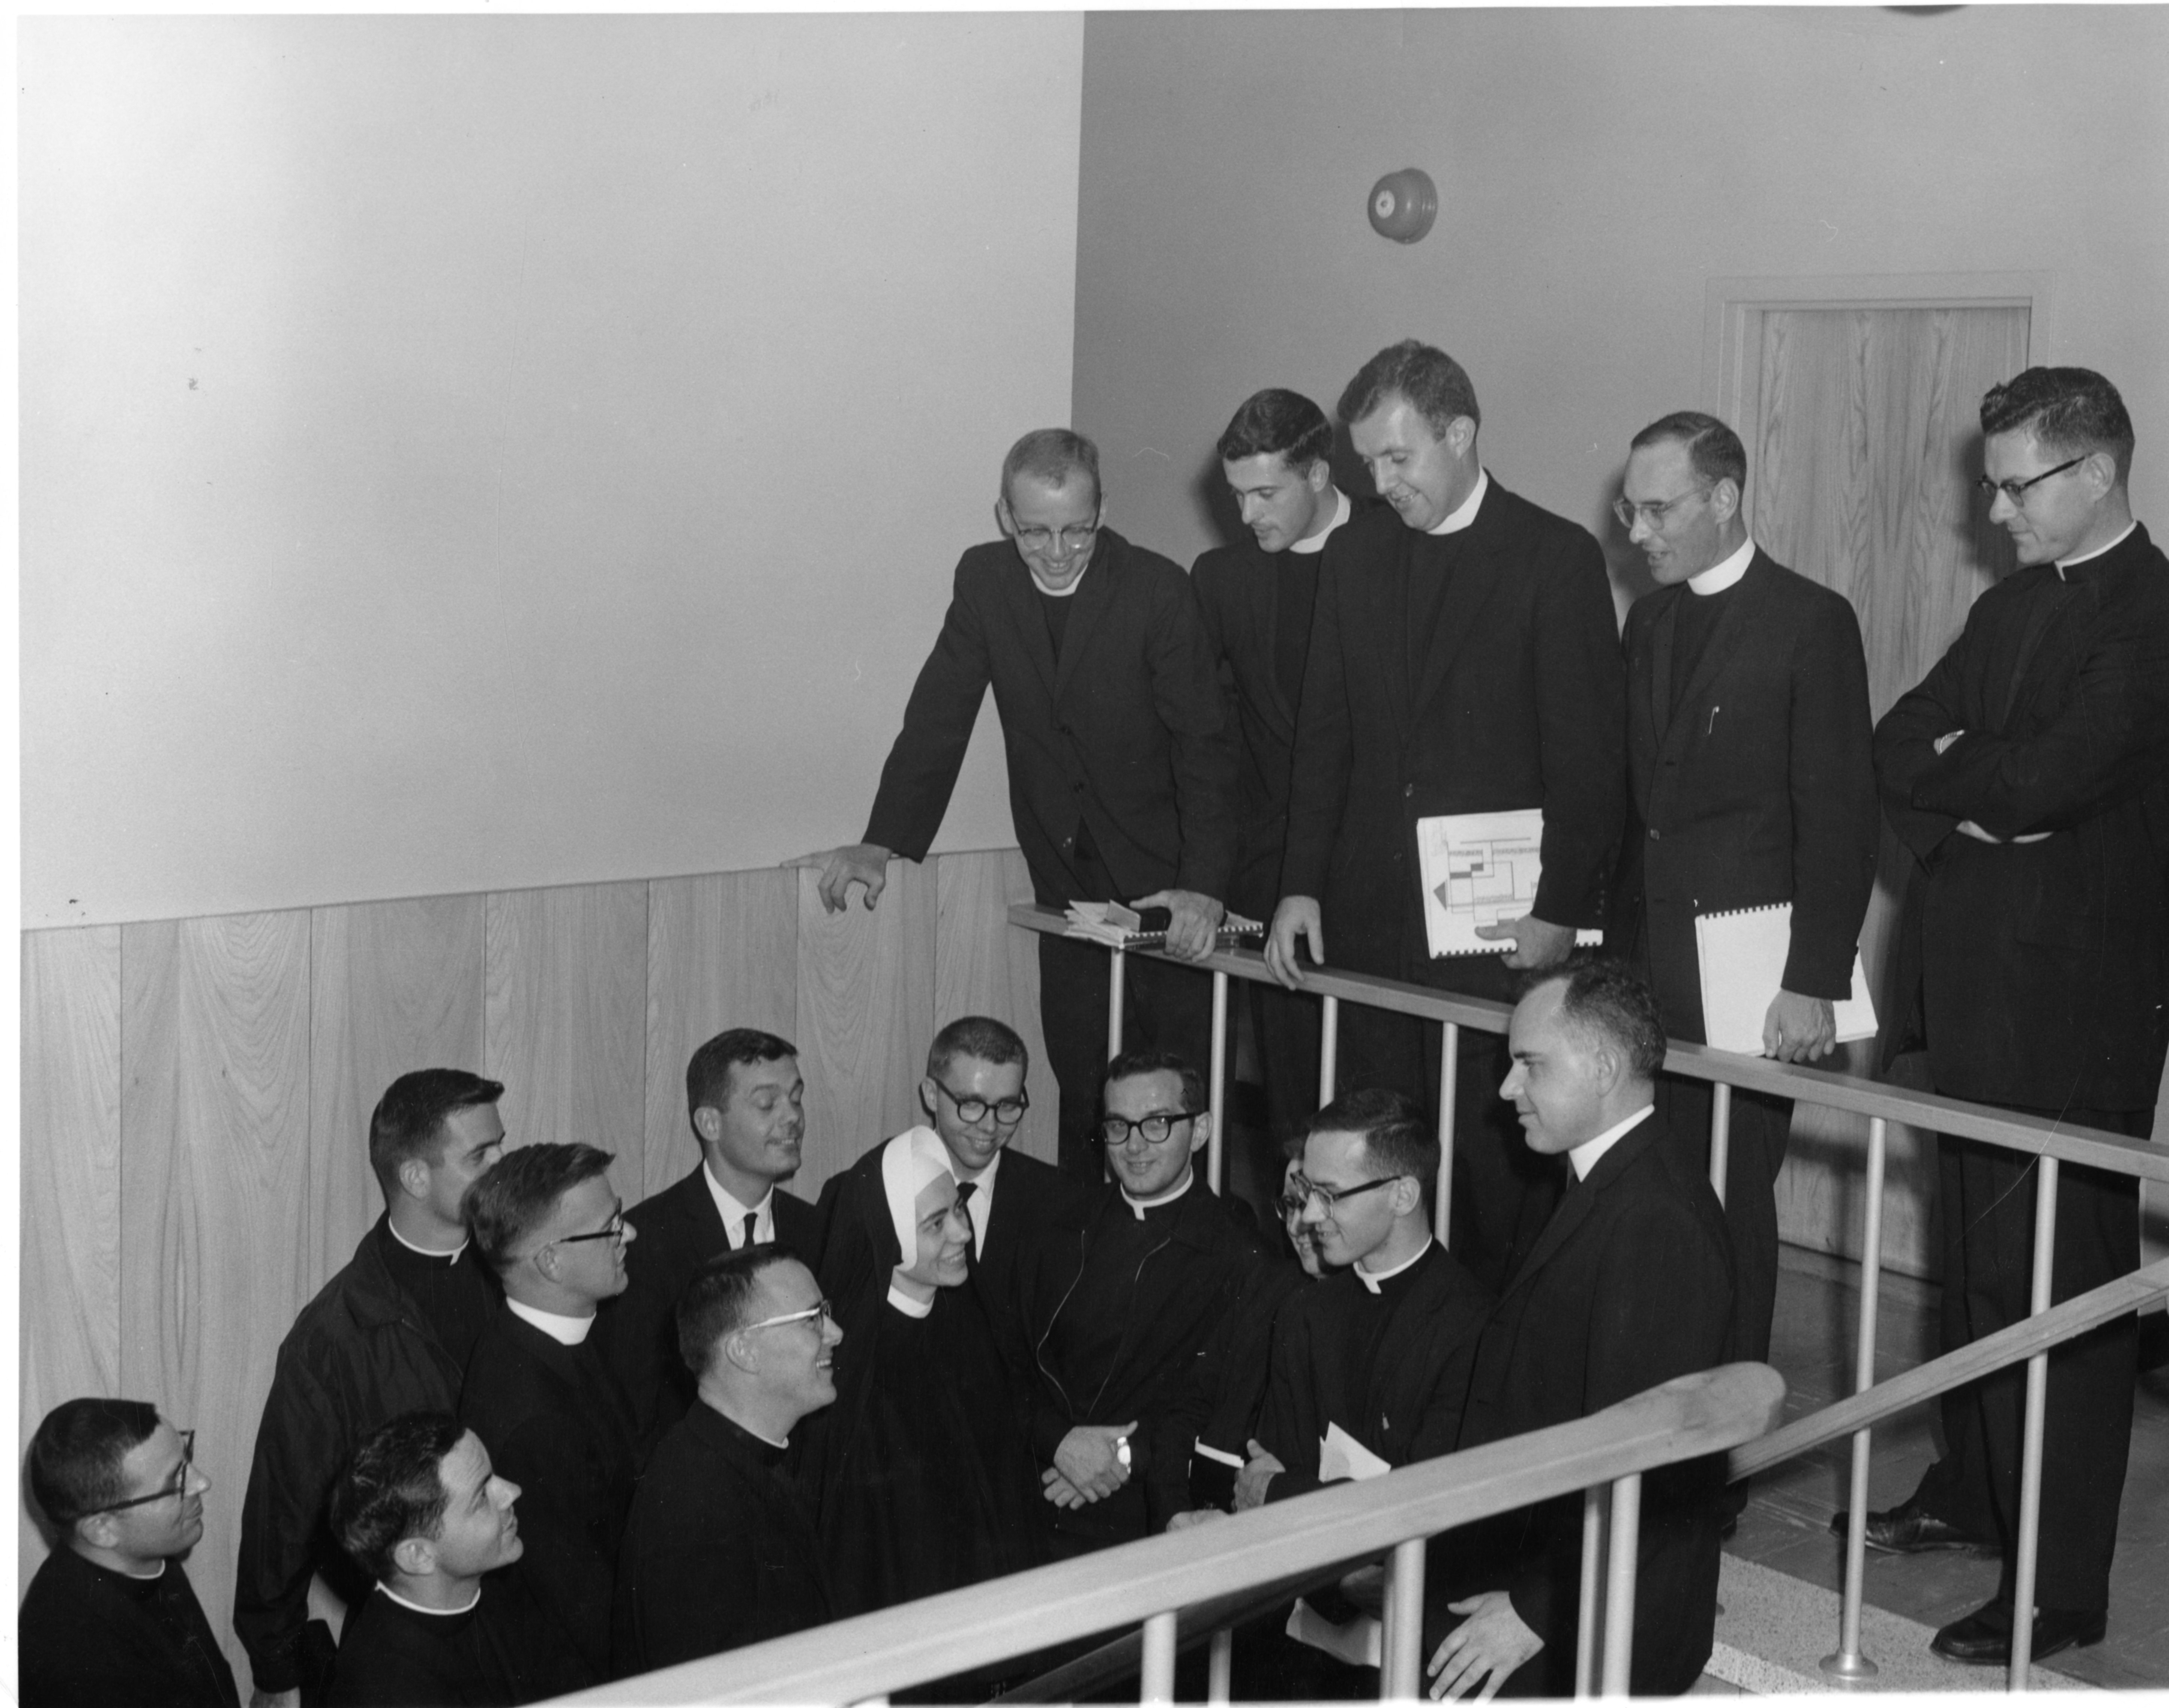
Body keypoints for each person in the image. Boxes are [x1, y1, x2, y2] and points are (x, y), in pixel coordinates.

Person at [1855, 366, 2169, 1666]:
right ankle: (1978, 1493)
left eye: (2014, 483)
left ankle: (2059, 1585)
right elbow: (1895, 738)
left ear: (2095, 475)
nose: (1991, 510)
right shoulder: (2006, 610)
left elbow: (2044, 782)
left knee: (2065, 1297)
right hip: (1972, 991)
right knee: (1981, 1273)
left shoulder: (2152, 616)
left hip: (2072, 1010)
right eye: (1988, 481)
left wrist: (1978, 789)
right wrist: (1982, 793)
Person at [1269, 340, 1626, 1295]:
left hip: (1497, 942)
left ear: (1460, 434)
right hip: (1371, 926)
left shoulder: (1554, 557)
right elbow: (1325, 735)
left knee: (1489, 1190)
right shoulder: (1354, 554)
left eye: (1398, 459)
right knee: (1372, 1177)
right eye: (1369, 465)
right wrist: (1301, 880)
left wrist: (1556, 910)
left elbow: (1588, 763)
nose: (1380, 484)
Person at [794, 428, 1240, 1173]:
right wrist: (884, 841)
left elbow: (1205, 748)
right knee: (1082, 1086)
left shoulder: (1157, 589)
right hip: (1066, 883)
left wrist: (1202, 887)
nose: (1058, 551)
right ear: (1004, 517)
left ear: (1104, 511)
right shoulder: (984, 579)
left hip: (1168, 880)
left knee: (1174, 1099)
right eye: (1035, 531)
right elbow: (939, 716)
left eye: (1077, 530)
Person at [1609, 410, 1878, 1367]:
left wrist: (1814, 982)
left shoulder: (1810, 621)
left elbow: (1841, 819)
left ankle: (1718, 1461)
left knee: (1727, 1212)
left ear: (1724, 499)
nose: (1637, 533)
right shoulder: (1649, 619)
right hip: (1644, 977)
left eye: (1656, 509)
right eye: (1627, 510)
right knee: (1646, 1206)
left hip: (1751, 987)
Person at [1424, 958, 1734, 1700]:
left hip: (1589, 1624)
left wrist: (1532, 1613)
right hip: (1550, 1571)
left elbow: (1648, 1465)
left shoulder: (1656, 1218)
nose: (1505, 1090)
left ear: (1600, 1068)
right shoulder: (1598, 1178)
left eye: (1528, 1065)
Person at [236, 1070, 507, 1707]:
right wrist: (276, 1667)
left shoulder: (523, 1268)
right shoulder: (332, 1334)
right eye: (480, 1156)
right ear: (415, 1176)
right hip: (419, 1642)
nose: (503, 1168)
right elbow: (284, 1509)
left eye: (501, 1147)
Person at [1192, 389, 1351, 1176]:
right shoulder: (1221, 579)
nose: (1248, 514)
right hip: (1273, 889)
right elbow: (1214, 746)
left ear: (1318, 473)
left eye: (1266, 494)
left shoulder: (1395, 550)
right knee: (1295, 1114)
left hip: (1374, 891)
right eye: (1236, 495)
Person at [1018, 1050, 1265, 1556]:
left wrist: (1120, 1456)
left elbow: (1221, 1402)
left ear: (1199, 1131)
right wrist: (1060, 1441)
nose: (1132, 1146)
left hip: (1144, 1507)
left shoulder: (1234, 1251)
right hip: (1035, 1478)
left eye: (1155, 1124)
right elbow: (1007, 1359)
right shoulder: (1060, 1224)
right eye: (1118, 1125)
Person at [799, 1125, 1043, 1621]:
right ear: (892, 1237)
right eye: (935, 1224)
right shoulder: (853, 1372)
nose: (962, 1232)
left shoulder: (973, 1320)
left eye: (957, 1209)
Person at [1246, 1090, 1490, 1508]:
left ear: (1402, 1196)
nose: (1307, 1216)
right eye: (1306, 1192)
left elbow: (1429, 1505)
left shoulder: (1473, 1327)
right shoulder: (1304, 1314)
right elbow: (1274, 1465)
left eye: (1329, 1195)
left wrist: (1278, 1492)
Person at [459, 1144, 642, 1679]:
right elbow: (588, 1612)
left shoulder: (549, 1336)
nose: (628, 1234)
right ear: (551, 1260)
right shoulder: (534, 1418)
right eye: (610, 1226)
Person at [593, 1028, 823, 1449]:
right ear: (709, 1123)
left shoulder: (819, 1230)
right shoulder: (647, 1241)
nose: (792, 1117)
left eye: (796, 1098)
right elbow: (638, 1412)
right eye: (767, 1103)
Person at [612, 1248, 838, 1675]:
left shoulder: (739, 1455)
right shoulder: (696, 1508)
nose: (836, 1333)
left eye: (826, 1312)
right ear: (743, 1351)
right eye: (813, 1319)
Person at [325, 1413, 587, 1707]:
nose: (513, 1491)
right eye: (481, 1498)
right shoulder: (387, 1691)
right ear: (419, 1556)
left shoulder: (504, 1583)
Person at [906, 1014, 1087, 1386]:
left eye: (1007, 1106)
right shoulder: (870, 1191)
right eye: (971, 1104)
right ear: (929, 1094)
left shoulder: (1065, 1203)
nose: (990, 1127)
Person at [21, 1399, 239, 1708]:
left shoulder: (144, 1554)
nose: (203, 1482)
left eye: (187, 1460)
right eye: (174, 1480)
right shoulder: (76, 1665)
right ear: (102, 1530)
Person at [1159, 1146, 1331, 1529]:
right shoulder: (1261, 1283)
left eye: (1312, 1205)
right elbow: (1187, 1408)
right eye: (1289, 1205)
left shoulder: (1357, 1317)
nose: (1297, 1225)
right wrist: (1174, 1512)